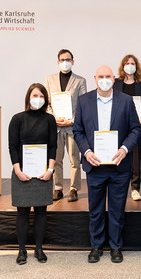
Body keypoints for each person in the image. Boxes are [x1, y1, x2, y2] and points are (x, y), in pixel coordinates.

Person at [73, 65, 141, 264]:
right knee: (95, 208)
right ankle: (96, 246)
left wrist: (124, 149)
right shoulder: (83, 101)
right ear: (95, 78)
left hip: (119, 165)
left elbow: (135, 129)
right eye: (101, 76)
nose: (104, 79)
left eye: (108, 76)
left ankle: (115, 247)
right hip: (94, 165)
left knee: (117, 210)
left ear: (114, 79)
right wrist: (86, 152)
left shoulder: (126, 101)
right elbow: (78, 131)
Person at [8, 83, 57, 265]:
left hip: (43, 173)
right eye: (35, 95)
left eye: (42, 96)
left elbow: (53, 146)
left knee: (41, 212)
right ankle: (21, 250)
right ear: (28, 97)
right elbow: (12, 147)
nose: (38, 99)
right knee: (22, 212)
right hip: (22, 172)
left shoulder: (50, 119)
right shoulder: (17, 119)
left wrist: (50, 170)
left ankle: (38, 249)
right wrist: (18, 170)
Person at [45, 49, 87, 202]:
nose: (65, 62)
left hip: (72, 126)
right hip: (55, 126)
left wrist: (73, 120)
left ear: (73, 62)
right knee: (56, 159)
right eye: (62, 59)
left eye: (68, 59)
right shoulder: (49, 79)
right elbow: (47, 103)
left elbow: (83, 104)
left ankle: (74, 188)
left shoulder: (80, 81)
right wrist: (53, 117)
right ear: (58, 62)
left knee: (74, 159)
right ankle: (58, 188)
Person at [113, 54, 141, 201]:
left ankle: (135, 188)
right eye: (127, 63)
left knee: (136, 157)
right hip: (120, 126)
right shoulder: (116, 83)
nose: (130, 65)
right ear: (123, 66)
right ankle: (120, 186)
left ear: (137, 66)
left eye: (132, 63)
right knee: (121, 155)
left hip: (137, 126)